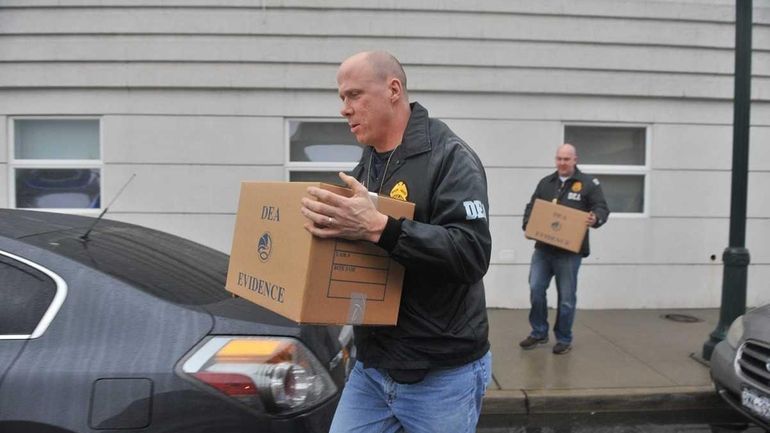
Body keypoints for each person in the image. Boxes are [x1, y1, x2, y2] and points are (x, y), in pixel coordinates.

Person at [299, 50, 492, 433]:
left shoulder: (450, 157)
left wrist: (380, 228)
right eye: (342, 98)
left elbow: (471, 253)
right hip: (372, 366)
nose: (344, 109)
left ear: (393, 89)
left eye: (354, 95)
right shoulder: (367, 164)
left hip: (439, 374)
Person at [519, 144, 609, 355]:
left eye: (566, 159)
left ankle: (564, 338)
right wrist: (528, 226)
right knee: (536, 289)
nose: (562, 162)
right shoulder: (546, 183)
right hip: (543, 250)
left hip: (569, 253)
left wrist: (595, 217)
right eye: (559, 158)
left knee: (566, 299)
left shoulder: (588, 184)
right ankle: (539, 332)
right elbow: (532, 207)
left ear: (575, 160)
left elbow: (602, 208)